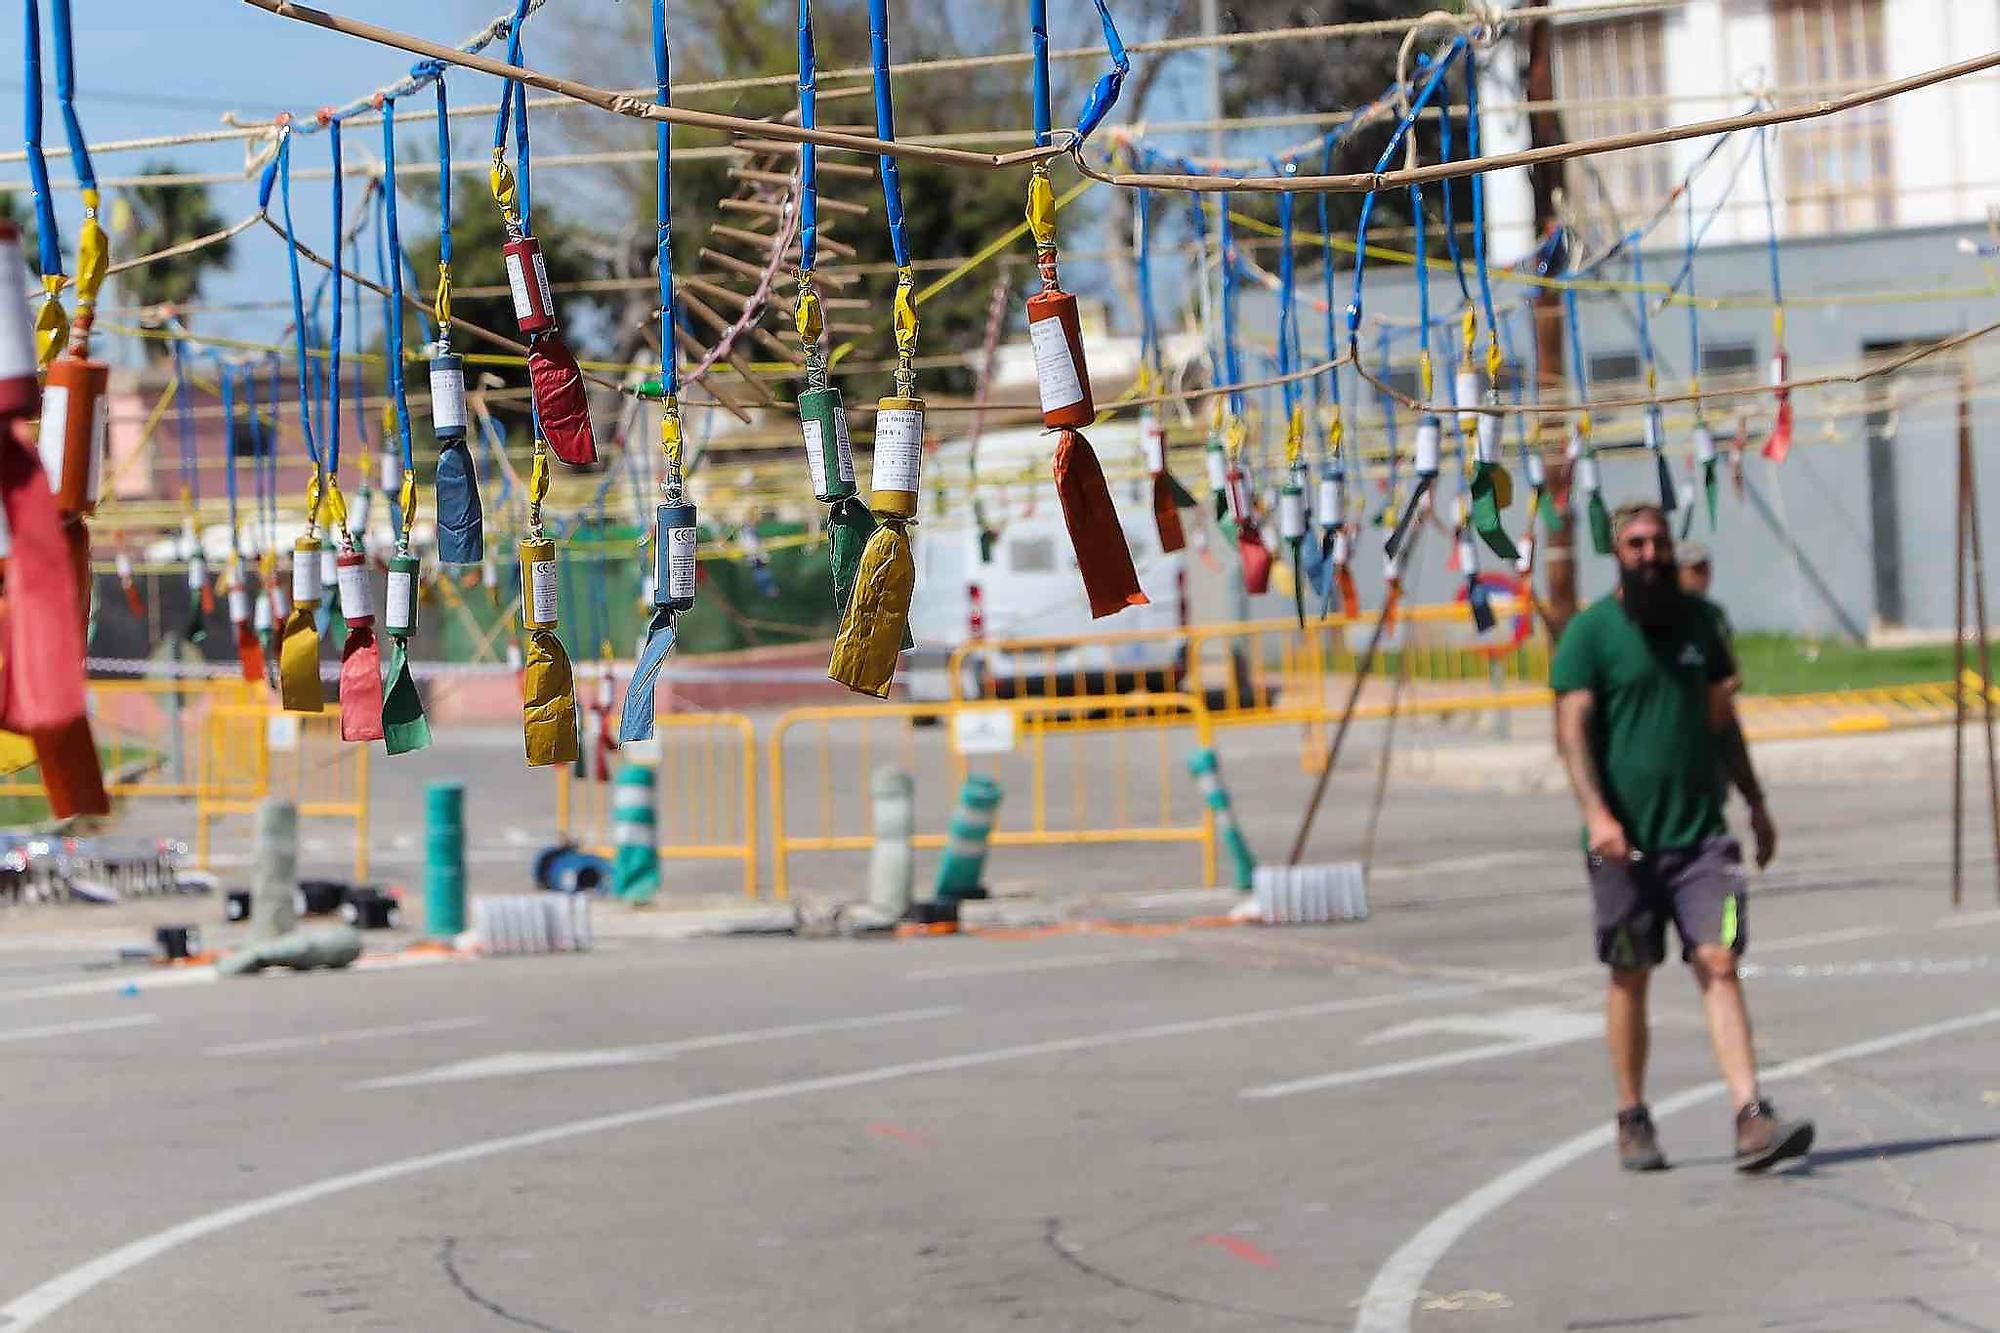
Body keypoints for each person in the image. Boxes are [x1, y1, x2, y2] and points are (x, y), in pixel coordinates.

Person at [1551, 503, 1812, 1174]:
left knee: (1719, 958)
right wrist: (1597, 813)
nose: (1649, 553)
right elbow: (1571, 731)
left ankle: (1751, 1114)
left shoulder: (1700, 623)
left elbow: (1722, 720)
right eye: (1636, 543)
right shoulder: (1591, 633)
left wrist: (1755, 802)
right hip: (1624, 847)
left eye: (1658, 542)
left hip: (1702, 840)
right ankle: (1632, 1114)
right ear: (1617, 552)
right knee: (1630, 973)